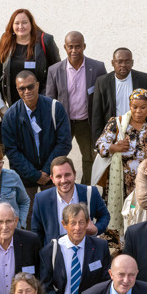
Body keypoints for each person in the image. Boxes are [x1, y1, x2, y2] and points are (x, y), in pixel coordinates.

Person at [95, 88, 147, 233]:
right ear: (130, 106)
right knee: (125, 214)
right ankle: (123, 243)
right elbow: (99, 145)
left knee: (145, 215)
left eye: (143, 107)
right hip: (122, 183)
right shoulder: (118, 124)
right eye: (134, 107)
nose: (138, 111)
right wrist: (114, 147)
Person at [44, 31, 106, 183]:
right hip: (64, 123)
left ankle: (85, 189)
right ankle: (58, 186)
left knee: (89, 157)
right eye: (70, 47)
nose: (74, 50)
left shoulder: (97, 67)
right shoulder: (55, 70)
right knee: (57, 157)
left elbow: (104, 97)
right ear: (65, 47)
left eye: (78, 46)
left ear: (84, 46)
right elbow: (49, 101)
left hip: (86, 122)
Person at [0, 71, 72, 201]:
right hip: (25, 177)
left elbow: (64, 143)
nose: (27, 91)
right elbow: (11, 150)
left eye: (30, 86)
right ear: (17, 90)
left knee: (54, 211)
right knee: (27, 213)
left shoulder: (55, 108)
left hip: (53, 175)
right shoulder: (10, 116)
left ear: (37, 85)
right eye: (22, 88)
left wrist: (47, 170)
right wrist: (35, 175)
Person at [30, 156, 110, 244]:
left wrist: (96, 229)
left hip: (85, 249)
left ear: (74, 174)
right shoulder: (41, 199)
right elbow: (37, 232)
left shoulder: (91, 193)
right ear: (52, 179)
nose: (63, 180)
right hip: (55, 251)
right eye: (58, 176)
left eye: (67, 175)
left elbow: (104, 215)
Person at [0, 8, 60, 105]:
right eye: (17, 23)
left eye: (24, 22)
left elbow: (56, 70)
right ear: (12, 25)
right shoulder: (6, 40)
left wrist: (46, 96)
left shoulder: (45, 40)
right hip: (13, 102)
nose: (21, 26)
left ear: (31, 24)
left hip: (40, 100)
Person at [90, 47, 147, 135]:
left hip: (140, 132)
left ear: (132, 63)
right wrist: (98, 139)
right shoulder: (102, 82)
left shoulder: (144, 79)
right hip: (113, 132)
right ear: (113, 63)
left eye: (127, 62)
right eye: (119, 62)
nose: (123, 65)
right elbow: (97, 115)